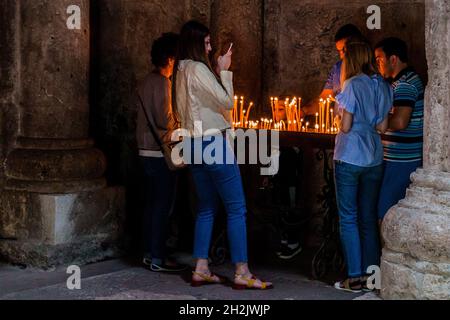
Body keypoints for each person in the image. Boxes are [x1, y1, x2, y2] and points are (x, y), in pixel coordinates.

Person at [172, 20, 272, 290]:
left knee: (206, 208)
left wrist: (215, 68)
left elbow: (202, 100)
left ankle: (201, 267)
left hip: (191, 145)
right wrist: (224, 71)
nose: (210, 47)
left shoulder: (180, 70)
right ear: (195, 44)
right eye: (206, 43)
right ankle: (242, 271)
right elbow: (227, 102)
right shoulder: (197, 68)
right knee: (237, 207)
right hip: (211, 143)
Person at [333, 38, 393, 293]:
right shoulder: (383, 85)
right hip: (374, 157)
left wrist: (339, 117)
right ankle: (371, 276)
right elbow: (382, 126)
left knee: (348, 217)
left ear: (351, 60)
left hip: (349, 156)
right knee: (368, 218)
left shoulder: (351, 85)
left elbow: (345, 126)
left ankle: (354, 277)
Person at [136, 33, 187, 273]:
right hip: (159, 153)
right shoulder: (162, 83)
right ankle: (158, 257)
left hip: (144, 151)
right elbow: (164, 120)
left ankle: (148, 253)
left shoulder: (146, 81)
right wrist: (181, 120)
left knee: (151, 204)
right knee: (162, 205)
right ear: (170, 59)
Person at [374, 37, 424, 222]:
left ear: (393, 59)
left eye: (379, 59)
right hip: (398, 158)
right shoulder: (402, 81)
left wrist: (372, 122)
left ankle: (387, 252)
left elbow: (401, 121)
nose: (377, 64)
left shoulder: (405, 84)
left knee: (386, 215)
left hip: (402, 160)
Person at [303, 24, 364, 116]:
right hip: (339, 124)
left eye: (344, 50)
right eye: (339, 51)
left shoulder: (369, 71)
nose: (341, 55)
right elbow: (323, 99)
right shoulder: (337, 68)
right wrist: (303, 111)